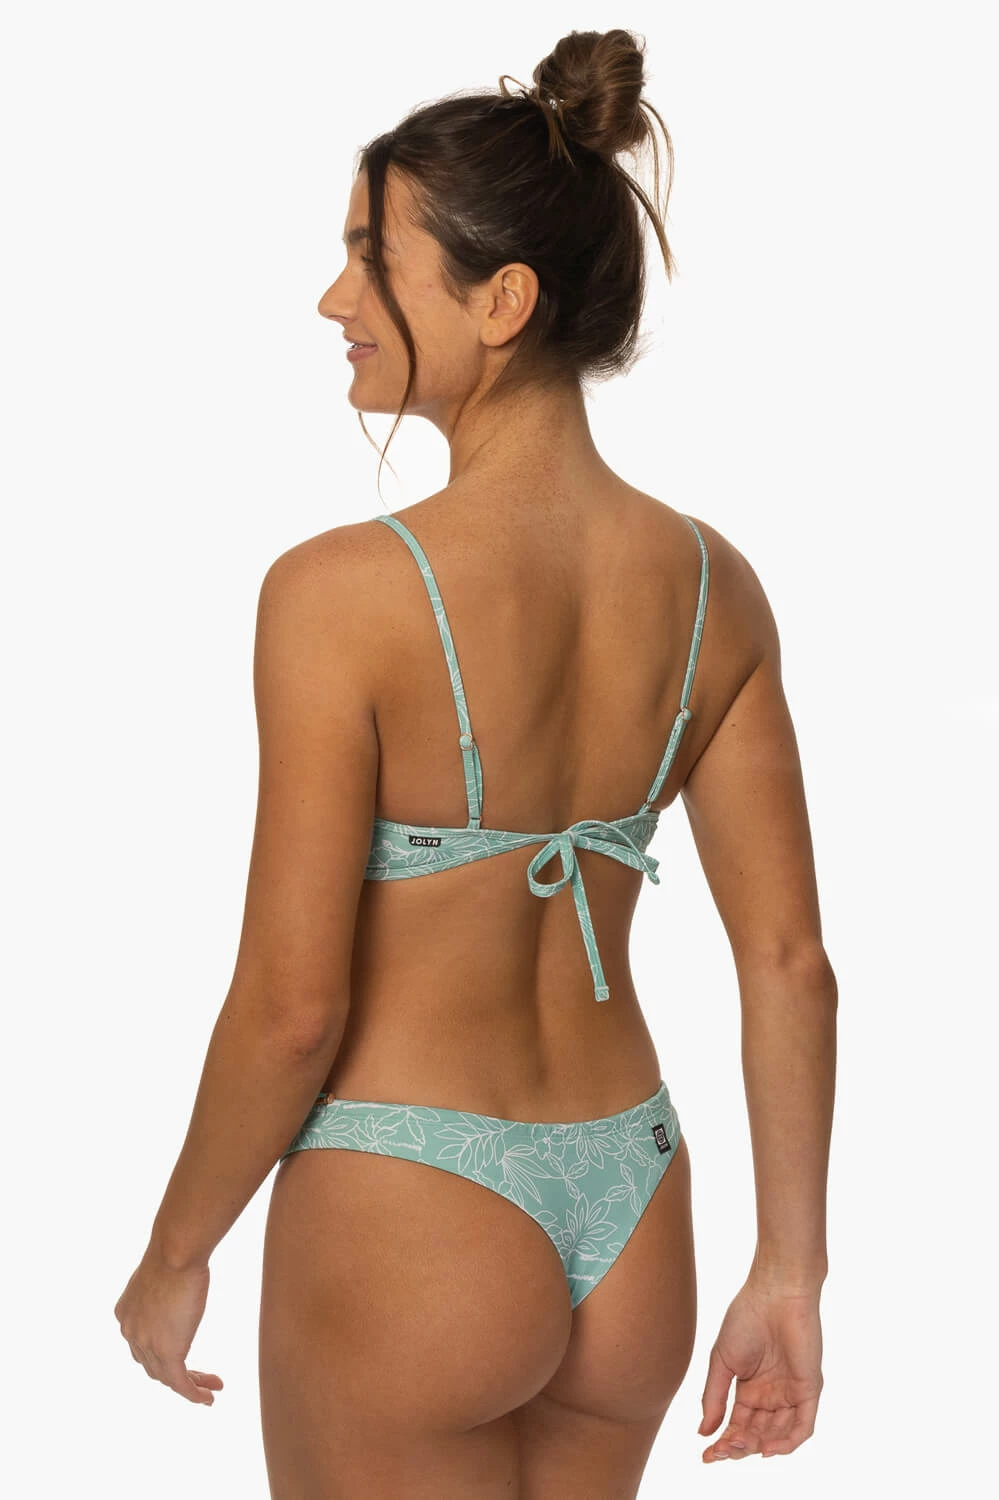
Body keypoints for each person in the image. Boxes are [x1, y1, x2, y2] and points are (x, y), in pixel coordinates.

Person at [113, 27, 836, 1499]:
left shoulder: (338, 596)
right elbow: (788, 963)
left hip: (410, 1198)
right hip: (635, 1210)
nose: (334, 299)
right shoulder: (715, 590)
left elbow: (292, 1012)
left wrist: (175, 1252)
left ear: (501, 301)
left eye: (369, 259)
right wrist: (790, 1272)